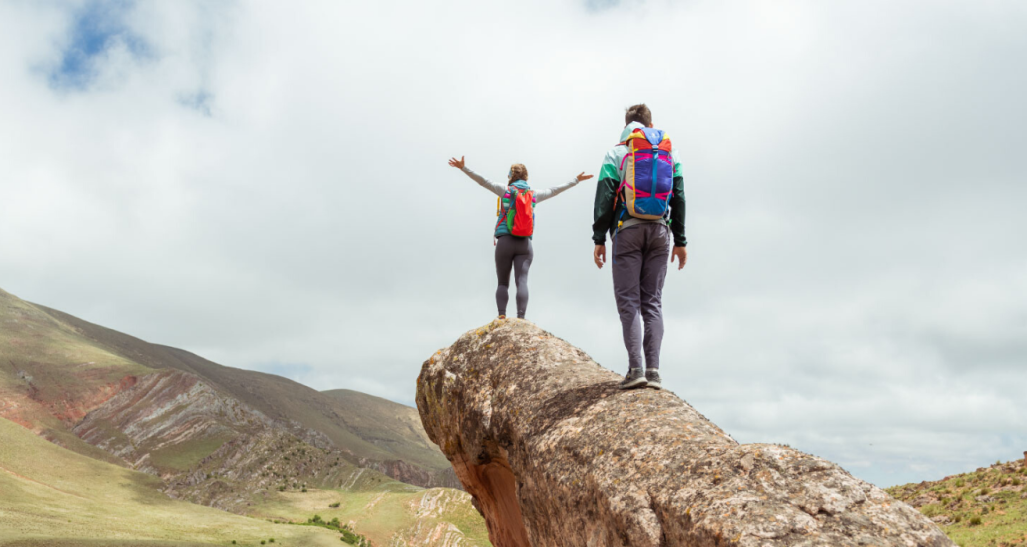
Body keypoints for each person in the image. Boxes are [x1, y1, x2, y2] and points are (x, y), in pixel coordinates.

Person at [592, 104, 687, 390]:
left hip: (627, 230)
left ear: (626, 124)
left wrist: (599, 238)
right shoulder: (670, 153)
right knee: (653, 302)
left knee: (629, 301)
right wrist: (680, 241)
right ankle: (655, 372)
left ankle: (636, 370)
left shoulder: (617, 152)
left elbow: (604, 198)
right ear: (650, 124)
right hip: (660, 231)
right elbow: (679, 197)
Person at [449, 156, 592, 320]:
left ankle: (502, 315)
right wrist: (576, 180)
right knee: (521, 281)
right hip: (525, 243)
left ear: (510, 176)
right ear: (526, 177)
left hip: (505, 241)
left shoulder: (505, 190)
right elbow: (554, 190)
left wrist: (463, 168)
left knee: (503, 282)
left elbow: (483, 181)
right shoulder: (533, 195)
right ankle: (521, 318)